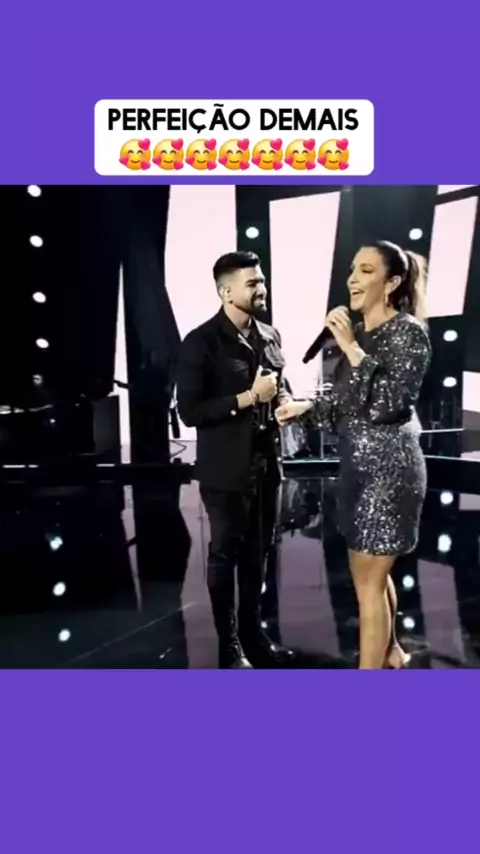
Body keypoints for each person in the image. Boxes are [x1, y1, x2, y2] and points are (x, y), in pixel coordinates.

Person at [275, 241, 431, 670]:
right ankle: (392, 652)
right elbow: (347, 402)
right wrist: (305, 407)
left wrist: (351, 348)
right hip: (357, 472)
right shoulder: (359, 335)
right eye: (352, 270)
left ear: (392, 282)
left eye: (365, 270)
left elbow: (388, 405)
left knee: (368, 583)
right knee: (372, 577)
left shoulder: (408, 333)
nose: (352, 280)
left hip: (389, 472)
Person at [176, 251, 295, 669]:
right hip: (226, 471)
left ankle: (253, 635)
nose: (262, 288)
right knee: (225, 555)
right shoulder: (201, 342)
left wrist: (285, 403)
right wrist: (247, 398)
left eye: (262, 280)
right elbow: (190, 411)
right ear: (225, 292)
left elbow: (279, 386)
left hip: (266, 465)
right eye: (252, 283)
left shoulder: (270, 335)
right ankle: (229, 646)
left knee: (259, 555)